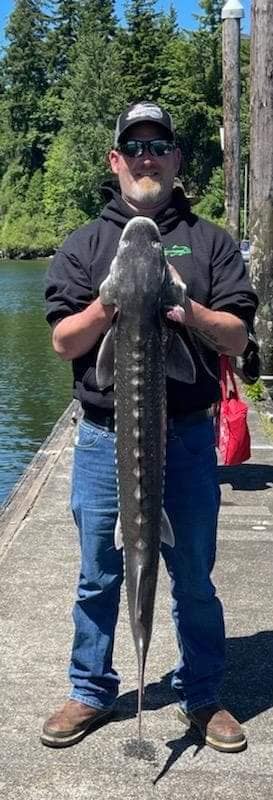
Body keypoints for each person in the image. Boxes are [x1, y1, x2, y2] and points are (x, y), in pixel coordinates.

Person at [41, 101, 258, 751]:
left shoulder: (210, 241)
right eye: (133, 147)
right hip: (102, 440)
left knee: (193, 575)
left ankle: (202, 693)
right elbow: (63, 341)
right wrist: (109, 301)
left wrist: (184, 305)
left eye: (158, 146)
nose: (146, 157)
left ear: (175, 158)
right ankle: (91, 688)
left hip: (186, 437)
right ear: (115, 160)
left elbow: (236, 336)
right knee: (98, 573)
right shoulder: (85, 244)